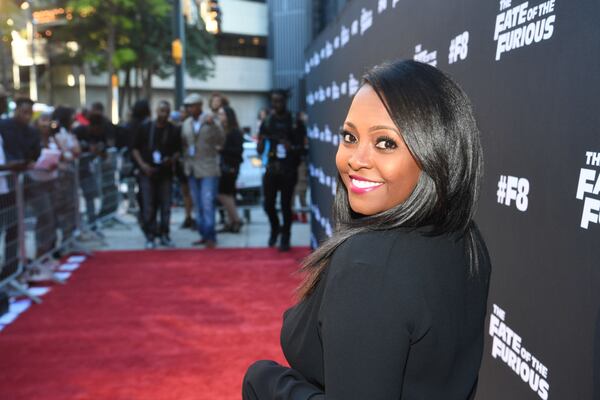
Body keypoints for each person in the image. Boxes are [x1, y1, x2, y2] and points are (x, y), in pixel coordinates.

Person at [242, 60, 492, 399]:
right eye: (350, 136)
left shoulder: (369, 264)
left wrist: (267, 382)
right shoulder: (466, 238)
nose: (355, 159)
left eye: (385, 143)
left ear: (436, 152)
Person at [257, 90, 306, 251]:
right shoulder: (268, 121)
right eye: (273, 101)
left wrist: (290, 147)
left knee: (286, 205)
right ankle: (275, 228)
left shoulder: (294, 122)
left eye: (279, 101)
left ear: (285, 101)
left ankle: (286, 236)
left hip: (288, 170)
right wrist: (261, 144)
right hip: (271, 168)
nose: (276, 104)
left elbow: (302, 148)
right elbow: (260, 146)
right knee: (268, 204)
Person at [132, 100, 179, 249]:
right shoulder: (145, 128)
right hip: (147, 172)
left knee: (165, 205)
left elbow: (178, 150)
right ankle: (150, 235)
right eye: (161, 111)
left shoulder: (173, 130)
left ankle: (165, 233)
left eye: (166, 111)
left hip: (165, 173)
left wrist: (171, 160)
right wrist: (143, 165)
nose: (163, 114)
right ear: (155, 111)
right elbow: (134, 148)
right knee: (148, 206)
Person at [181, 93, 225, 249]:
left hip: (208, 169)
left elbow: (221, 140)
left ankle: (211, 236)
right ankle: (203, 234)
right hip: (192, 168)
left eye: (191, 106)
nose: (189, 109)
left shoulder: (211, 119)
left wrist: (213, 124)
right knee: (198, 204)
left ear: (199, 106)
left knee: (207, 203)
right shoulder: (186, 123)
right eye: (187, 106)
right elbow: (184, 143)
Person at [216, 105, 244, 233]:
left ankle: (236, 220)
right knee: (228, 195)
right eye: (219, 114)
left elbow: (238, 150)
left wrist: (222, 149)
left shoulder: (235, 132)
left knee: (224, 194)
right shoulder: (222, 130)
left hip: (231, 167)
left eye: (222, 114)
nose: (220, 116)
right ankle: (231, 221)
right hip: (224, 167)